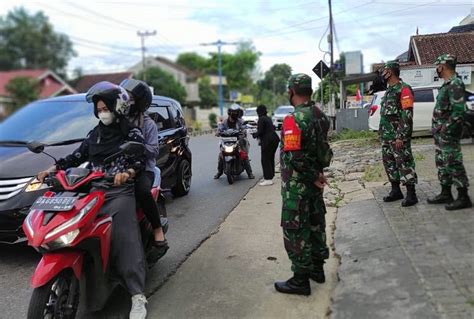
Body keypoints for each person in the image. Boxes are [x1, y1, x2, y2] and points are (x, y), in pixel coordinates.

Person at [37, 82, 149, 319]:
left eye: (105, 108)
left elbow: (138, 159)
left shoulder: (131, 132)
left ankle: (137, 295)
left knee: (124, 238)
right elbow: (76, 156)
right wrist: (52, 169)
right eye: (98, 109)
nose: (101, 112)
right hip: (93, 191)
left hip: (119, 192)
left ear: (117, 107)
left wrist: (126, 173)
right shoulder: (95, 135)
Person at [274, 74, 333, 296]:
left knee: (296, 229)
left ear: (292, 91)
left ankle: (300, 280)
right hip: (315, 183)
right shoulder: (321, 116)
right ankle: (317, 270)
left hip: (298, 186)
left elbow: (296, 157)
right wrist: (317, 175)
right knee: (316, 224)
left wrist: (312, 175)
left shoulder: (293, 120)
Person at [120, 78, 169, 260]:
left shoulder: (147, 123)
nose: (125, 101)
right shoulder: (118, 120)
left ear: (139, 101)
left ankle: (157, 230)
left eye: (129, 98)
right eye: (123, 97)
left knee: (142, 191)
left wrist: (137, 148)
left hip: (144, 169)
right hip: (118, 168)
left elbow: (154, 150)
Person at [427, 54, 472, 210]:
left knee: (453, 163)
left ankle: (463, 196)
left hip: (448, 134)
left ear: (442, 66)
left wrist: (446, 129)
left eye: (437, 66)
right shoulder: (446, 84)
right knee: (442, 163)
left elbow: (458, 111)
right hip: (441, 134)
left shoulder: (455, 84)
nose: (436, 69)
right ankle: (446, 193)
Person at [379, 60, 418, 207]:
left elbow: (406, 114)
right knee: (389, 163)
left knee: (404, 162)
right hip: (387, 136)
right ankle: (396, 190)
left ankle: (411, 194)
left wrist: (401, 135)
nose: (382, 73)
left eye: (385, 70)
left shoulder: (404, 89)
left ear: (391, 72)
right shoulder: (389, 91)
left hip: (398, 136)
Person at [214, 104, 255, 179]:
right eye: (233, 112)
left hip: (238, 141)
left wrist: (243, 131)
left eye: (236, 112)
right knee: (221, 155)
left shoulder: (240, 121)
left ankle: (250, 173)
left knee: (244, 155)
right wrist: (218, 132)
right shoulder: (225, 122)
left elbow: (244, 127)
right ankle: (219, 172)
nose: (235, 114)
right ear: (229, 112)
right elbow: (220, 128)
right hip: (227, 141)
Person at [252, 104, 280, 186]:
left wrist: (254, 134)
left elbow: (260, 131)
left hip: (268, 141)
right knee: (270, 158)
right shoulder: (268, 118)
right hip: (274, 139)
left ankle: (268, 179)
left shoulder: (261, 119)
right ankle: (270, 176)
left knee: (265, 159)